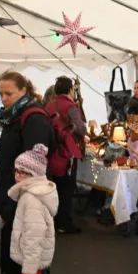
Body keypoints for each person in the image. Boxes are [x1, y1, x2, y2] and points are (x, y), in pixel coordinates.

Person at [0, 71, 55, 274]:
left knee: (34, 256)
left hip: (29, 199)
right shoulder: (15, 116)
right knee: (21, 251)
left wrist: (21, 198)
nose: (3, 99)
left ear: (24, 91)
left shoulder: (34, 119)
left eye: (9, 93)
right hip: (17, 194)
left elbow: (35, 164)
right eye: (0, 94)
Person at [9, 144, 57, 274]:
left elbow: (34, 236)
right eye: (17, 171)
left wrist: (28, 269)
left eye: (23, 173)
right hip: (35, 260)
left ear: (34, 175)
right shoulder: (35, 194)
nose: (18, 176)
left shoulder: (31, 199)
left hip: (32, 260)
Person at [45, 76, 86, 234]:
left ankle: (52, 220)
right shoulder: (70, 106)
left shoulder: (49, 105)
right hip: (67, 150)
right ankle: (63, 222)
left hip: (52, 149)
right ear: (70, 90)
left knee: (53, 187)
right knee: (66, 189)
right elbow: (81, 130)